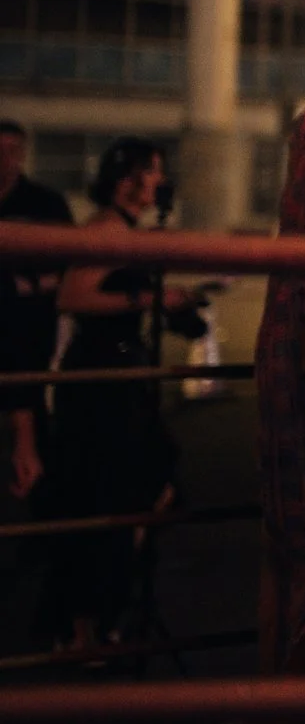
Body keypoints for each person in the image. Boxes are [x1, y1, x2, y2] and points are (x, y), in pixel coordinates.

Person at [48, 138, 197, 650]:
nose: (160, 180)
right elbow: (72, 296)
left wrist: (168, 304)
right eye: (152, 171)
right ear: (127, 178)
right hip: (100, 378)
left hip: (121, 371)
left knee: (145, 483)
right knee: (107, 491)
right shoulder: (107, 228)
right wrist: (149, 297)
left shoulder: (126, 228)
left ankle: (105, 609)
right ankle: (89, 622)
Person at [0, 120, 72, 503]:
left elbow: (66, 266)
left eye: (12, 151)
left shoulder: (45, 204)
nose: (4, 160)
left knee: (31, 395)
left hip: (30, 328)